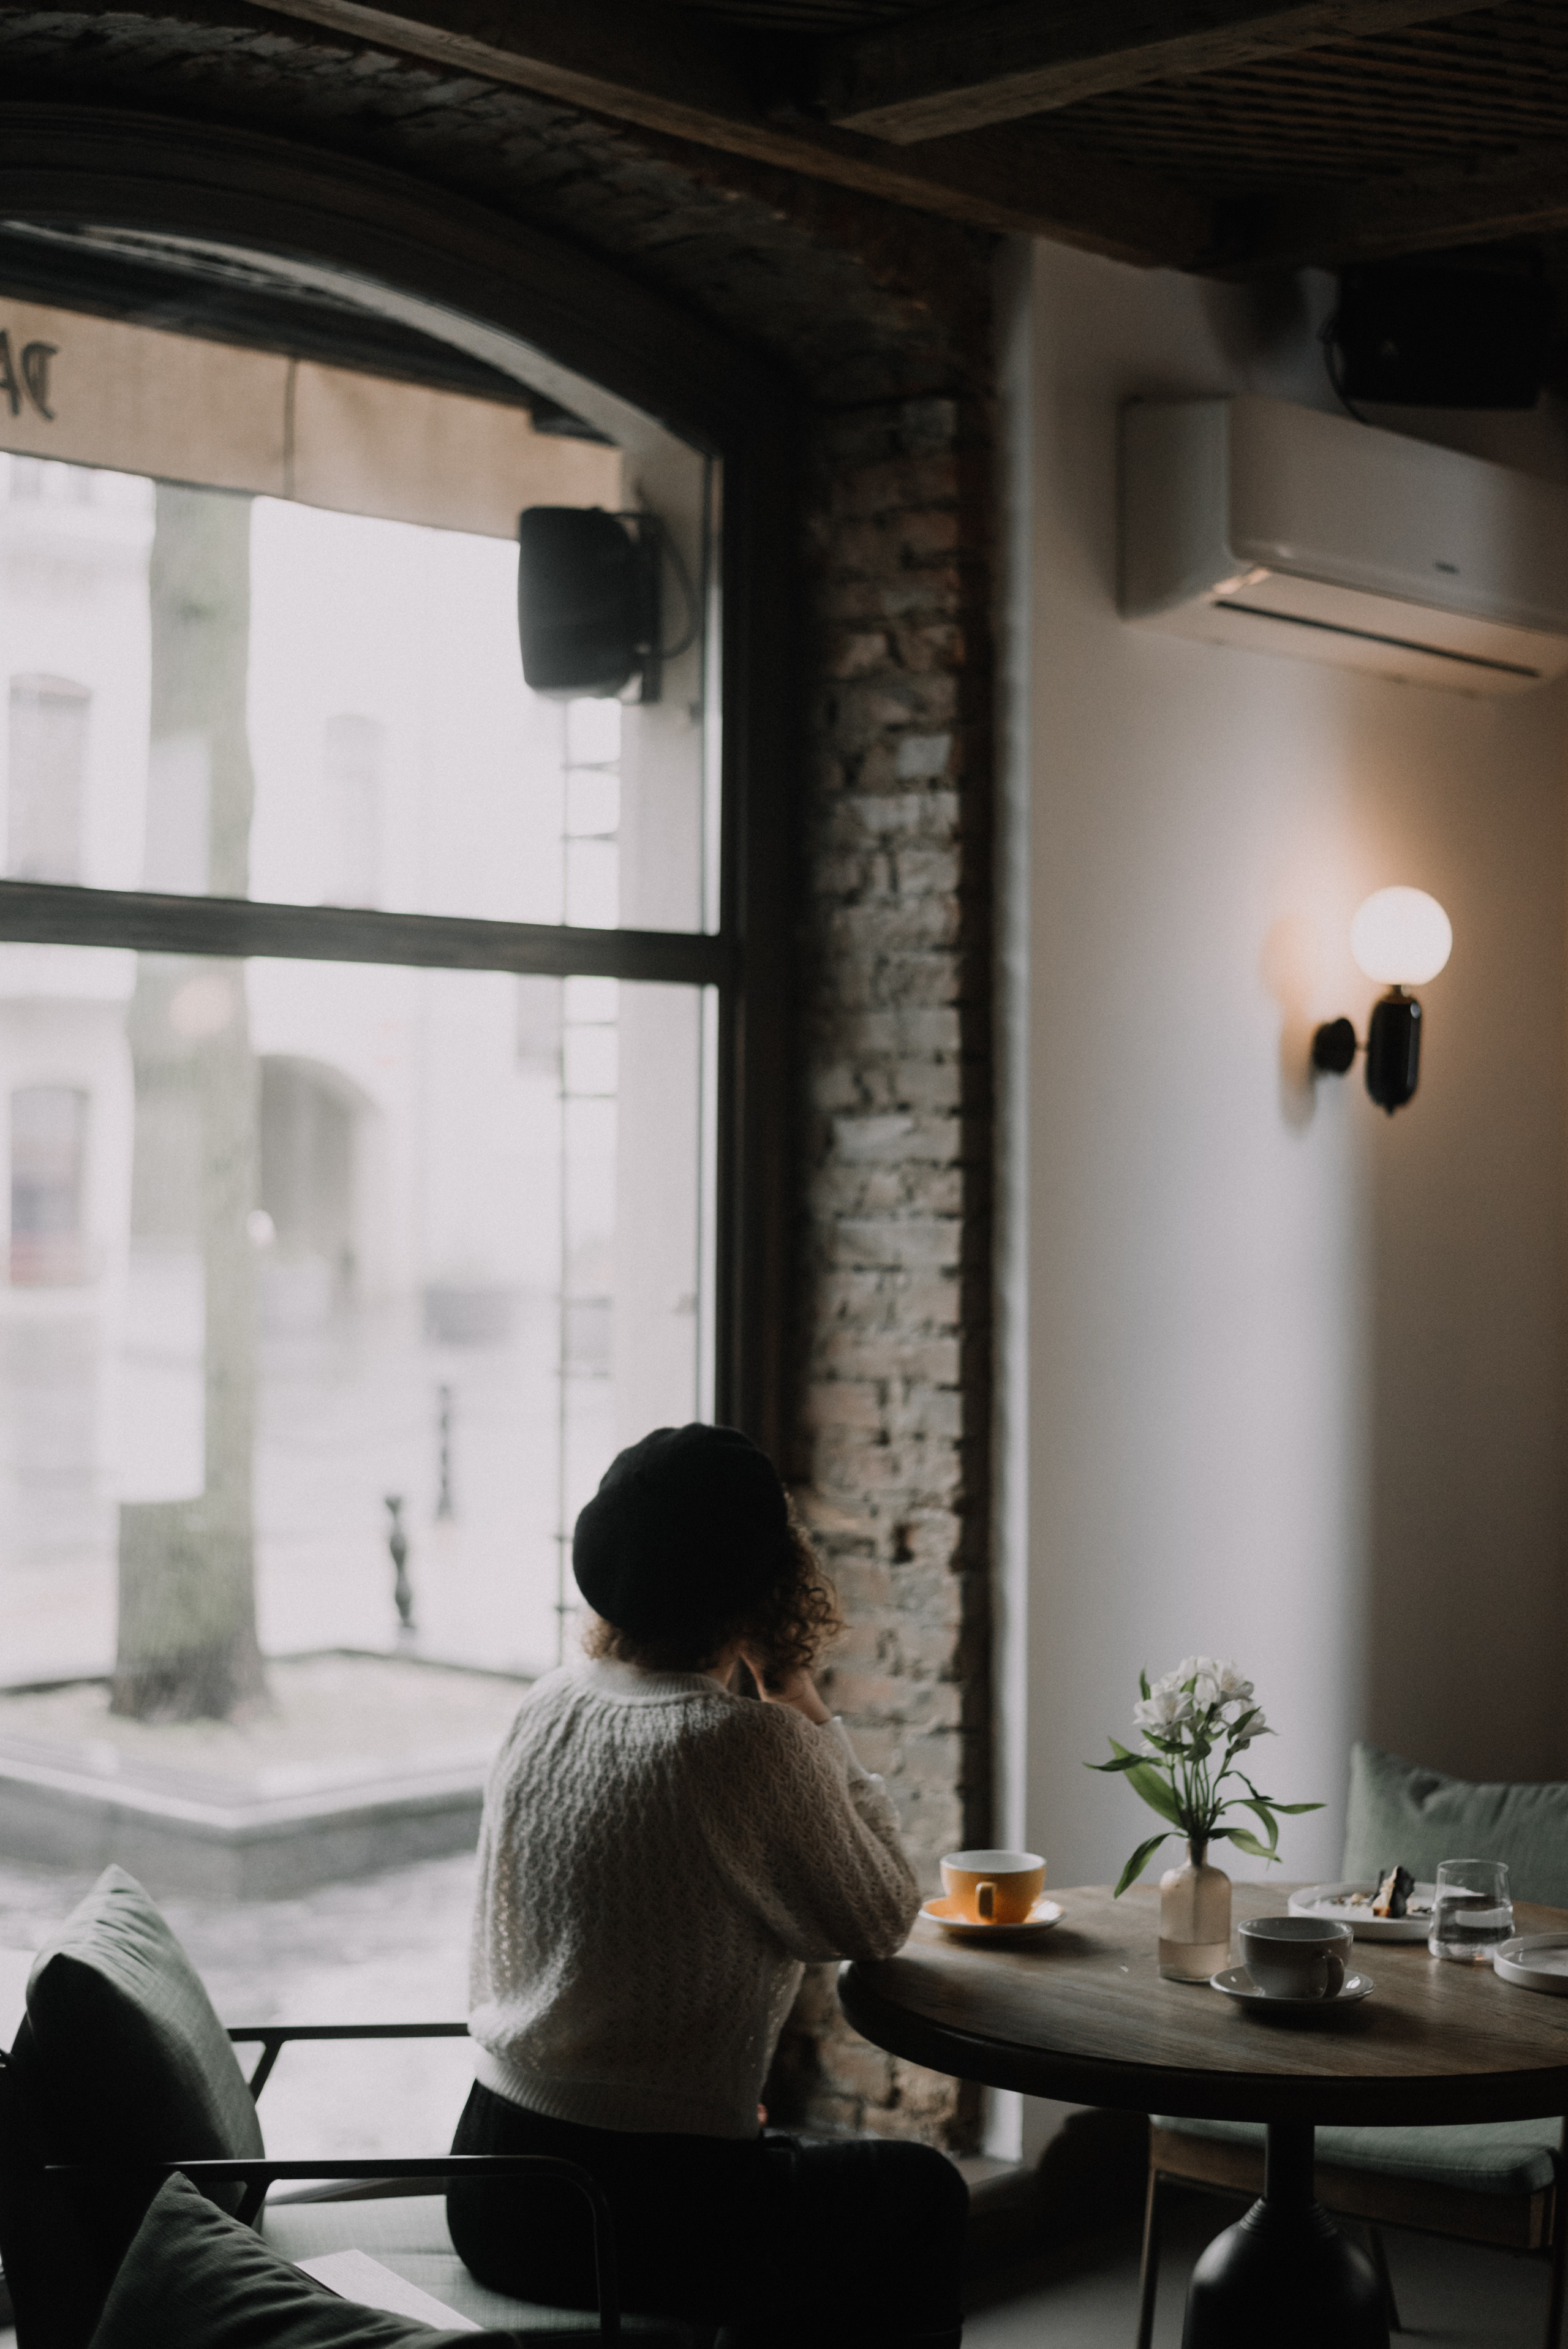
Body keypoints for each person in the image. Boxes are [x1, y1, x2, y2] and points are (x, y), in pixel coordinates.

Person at [447, 1422, 967, 2349]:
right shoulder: (740, 1747)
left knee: (793, 2189)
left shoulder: (550, 1701)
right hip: (630, 2214)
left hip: (488, 2183)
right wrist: (800, 1698)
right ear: (772, 1584)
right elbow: (883, 1913)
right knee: (920, 2194)